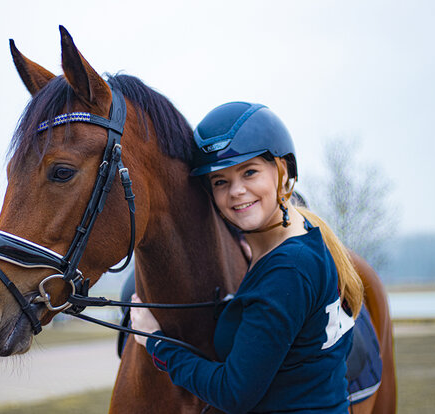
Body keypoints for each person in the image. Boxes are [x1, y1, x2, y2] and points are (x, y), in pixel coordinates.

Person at [130, 102, 365, 414]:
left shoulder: (288, 269)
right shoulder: (302, 239)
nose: (237, 191)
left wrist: (157, 342)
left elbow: (233, 393)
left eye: (249, 172)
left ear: (282, 171)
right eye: (220, 182)